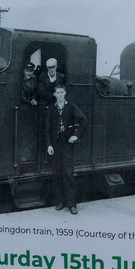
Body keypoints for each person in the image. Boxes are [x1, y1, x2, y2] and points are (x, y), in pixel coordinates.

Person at [46, 85, 87, 214]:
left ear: (65, 93)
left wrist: (76, 135)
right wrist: (49, 145)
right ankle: (61, 202)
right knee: (57, 174)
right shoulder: (51, 109)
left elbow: (84, 121)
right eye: (57, 92)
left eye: (61, 92)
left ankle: (72, 204)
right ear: (54, 95)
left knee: (68, 174)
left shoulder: (71, 106)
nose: (60, 94)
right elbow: (46, 129)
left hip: (67, 145)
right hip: (56, 145)